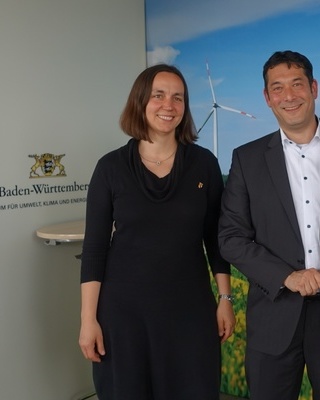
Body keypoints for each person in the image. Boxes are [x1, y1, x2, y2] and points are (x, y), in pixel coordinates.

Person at [218, 50, 320, 400]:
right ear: (267, 98)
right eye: (277, 88)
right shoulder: (246, 159)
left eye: (297, 85)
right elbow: (231, 238)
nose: (288, 96)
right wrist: (287, 276)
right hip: (275, 313)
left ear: (314, 88)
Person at [78, 64, 235, 399]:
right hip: (123, 316)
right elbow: (94, 249)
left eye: (178, 97)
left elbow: (215, 239)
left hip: (190, 312)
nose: (169, 105)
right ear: (140, 102)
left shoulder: (204, 163)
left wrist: (225, 299)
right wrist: (88, 320)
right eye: (159, 95)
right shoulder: (110, 168)